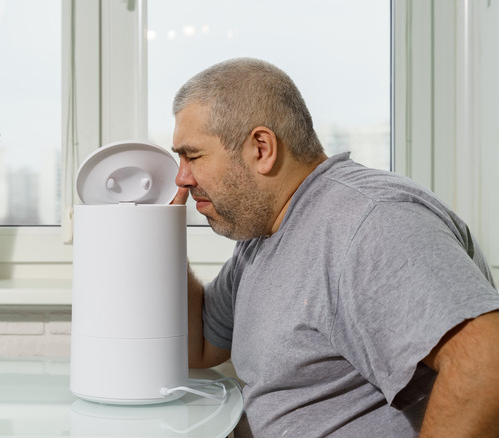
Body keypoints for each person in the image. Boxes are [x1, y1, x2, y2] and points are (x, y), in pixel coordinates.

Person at [169, 58, 499, 437]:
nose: (182, 177)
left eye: (192, 156)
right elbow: (201, 347)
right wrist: (158, 239)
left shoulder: (371, 221)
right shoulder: (263, 233)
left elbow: (486, 365)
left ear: (261, 148)